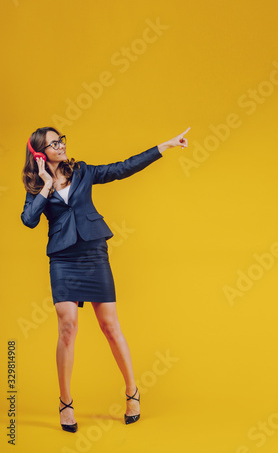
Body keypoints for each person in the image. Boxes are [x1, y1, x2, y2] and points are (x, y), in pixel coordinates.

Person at [21, 126, 190, 433]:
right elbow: (29, 220)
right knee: (67, 325)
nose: (60, 146)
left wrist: (163, 146)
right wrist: (46, 184)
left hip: (93, 254)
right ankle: (66, 403)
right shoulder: (36, 185)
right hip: (63, 258)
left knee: (110, 326)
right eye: (52, 144)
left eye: (61, 141)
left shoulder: (83, 171)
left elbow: (122, 168)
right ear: (39, 153)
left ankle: (132, 392)